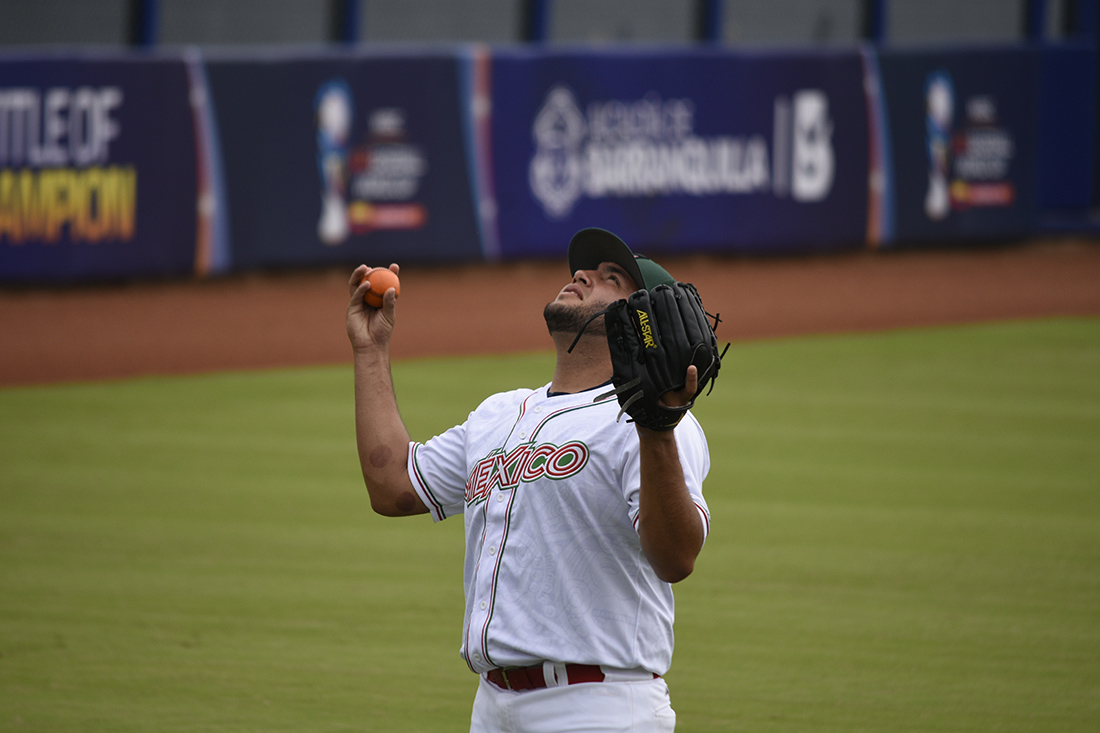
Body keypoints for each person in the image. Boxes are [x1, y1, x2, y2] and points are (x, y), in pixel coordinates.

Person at [345, 228, 712, 732]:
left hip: (598, 707)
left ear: (643, 320)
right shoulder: (501, 412)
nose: (583, 275)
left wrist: (656, 428)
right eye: (584, 270)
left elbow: (676, 558)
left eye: (611, 278)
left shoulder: (658, 425)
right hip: (492, 707)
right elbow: (393, 487)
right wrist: (370, 352)